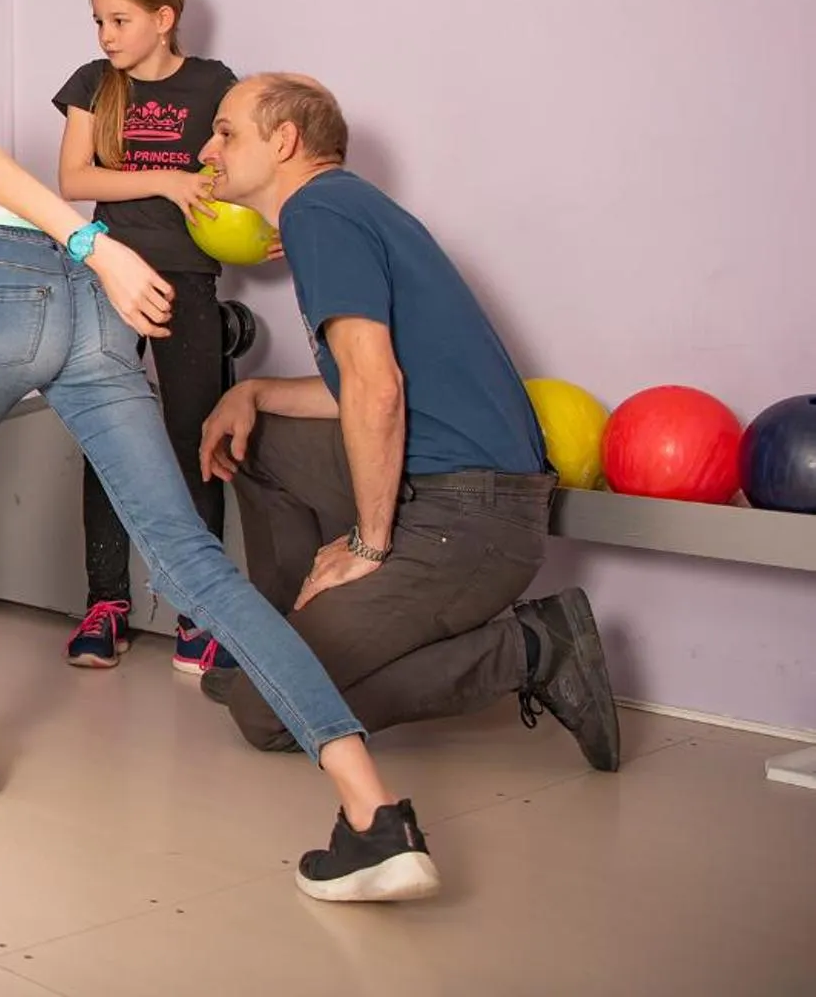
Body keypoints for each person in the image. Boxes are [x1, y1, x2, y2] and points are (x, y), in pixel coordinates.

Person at [0, 14, 440, 902]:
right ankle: (375, 814)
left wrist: (95, 245)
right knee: (191, 559)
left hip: (29, 275)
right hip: (77, 304)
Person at [195, 74, 619, 771]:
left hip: (471, 518)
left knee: (268, 714)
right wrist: (258, 390)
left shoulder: (318, 211)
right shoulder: (343, 207)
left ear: (285, 140)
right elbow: (363, 385)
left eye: (226, 131)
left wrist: (368, 541)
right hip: (444, 484)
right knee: (255, 436)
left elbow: (378, 388)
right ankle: (276, 645)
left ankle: (534, 647)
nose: (209, 149)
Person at [52, 0, 240, 673]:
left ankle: (203, 612)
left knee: (197, 439)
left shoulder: (217, 84)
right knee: (110, 436)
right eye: (99, 20)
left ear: (164, 19)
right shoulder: (94, 85)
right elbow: (74, 178)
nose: (105, 34)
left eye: (119, 20)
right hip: (107, 275)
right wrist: (166, 176)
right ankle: (106, 604)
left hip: (188, 278)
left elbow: (234, 175)